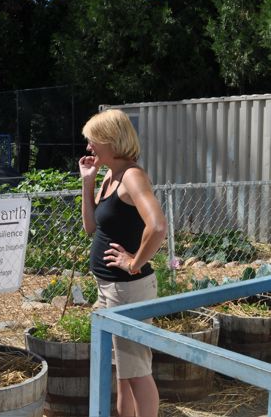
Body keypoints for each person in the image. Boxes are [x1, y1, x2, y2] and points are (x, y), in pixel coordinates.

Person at [78, 109, 166, 417]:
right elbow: (92, 228)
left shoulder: (132, 176)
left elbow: (157, 227)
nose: (89, 149)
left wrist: (134, 262)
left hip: (129, 289)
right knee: (123, 375)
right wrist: (87, 183)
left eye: (92, 142)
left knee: (137, 373)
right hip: (109, 289)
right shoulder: (108, 176)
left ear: (109, 141)